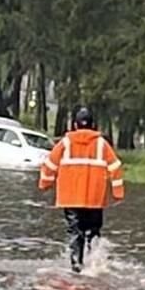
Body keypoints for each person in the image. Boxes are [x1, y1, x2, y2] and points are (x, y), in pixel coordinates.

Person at [39, 107, 125, 273]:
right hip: (95, 198)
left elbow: (49, 165)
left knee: (75, 231)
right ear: (93, 125)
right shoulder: (102, 144)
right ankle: (95, 266)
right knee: (93, 231)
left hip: (70, 198)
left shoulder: (65, 143)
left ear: (75, 125)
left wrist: (45, 184)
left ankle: (76, 266)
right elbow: (115, 167)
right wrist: (117, 192)